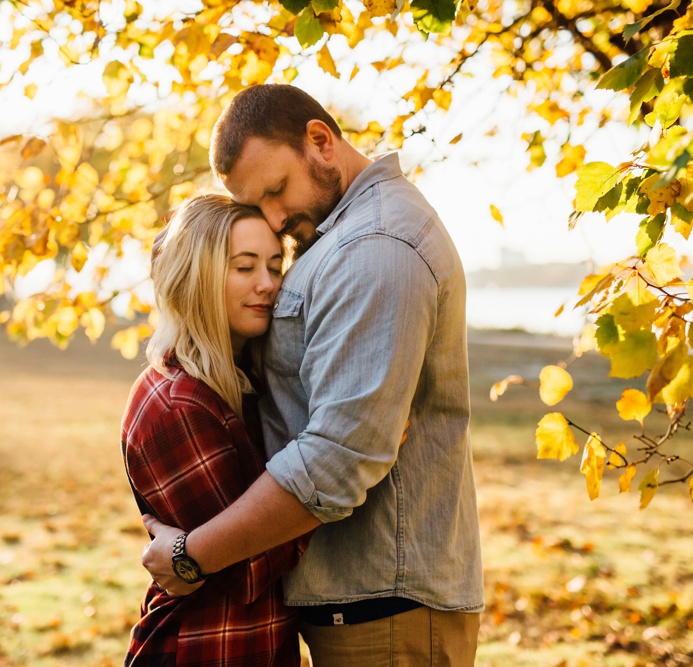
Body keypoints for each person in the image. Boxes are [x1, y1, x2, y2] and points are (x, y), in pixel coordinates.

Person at [140, 84, 484, 665]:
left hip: (384, 606)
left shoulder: (375, 245)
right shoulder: (339, 235)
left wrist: (191, 555)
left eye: (276, 190)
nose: (274, 219)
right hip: (358, 598)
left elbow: (340, 456)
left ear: (320, 141)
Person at [120, 193, 309, 666]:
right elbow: (248, 566)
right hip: (201, 649)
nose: (268, 284)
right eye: (244, 267)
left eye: (274, 265)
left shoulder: (238, 383)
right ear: (197, 276)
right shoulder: (177, 404)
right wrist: (349, 460)